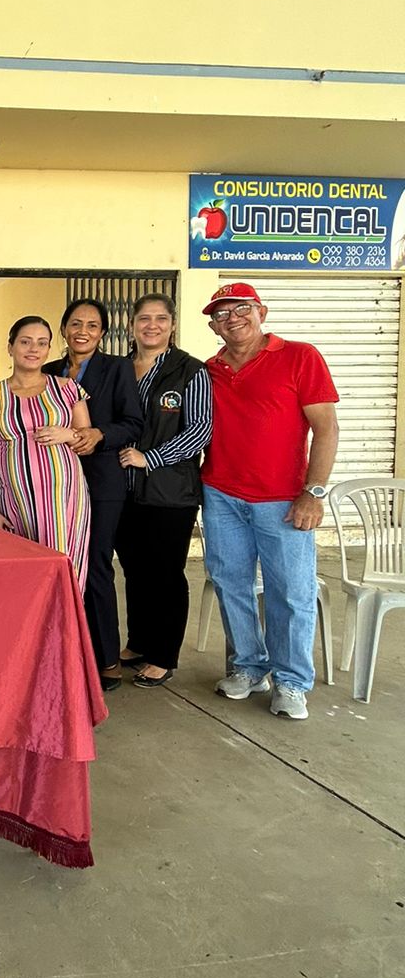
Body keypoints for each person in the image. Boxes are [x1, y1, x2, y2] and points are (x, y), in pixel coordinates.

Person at [199, 282, 339, 721]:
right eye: (222, 314)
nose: (233, 319)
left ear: (262, 311)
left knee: (291, 593)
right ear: (214, 327)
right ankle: (248, 667)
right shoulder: (209, 369)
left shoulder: (300, 356)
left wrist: (314, 492)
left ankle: (291, 681)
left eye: (242, 308)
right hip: (221, 494)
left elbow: (327, 428)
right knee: (230, 585)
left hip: (284, 500)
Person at [43, 298, 143, 691]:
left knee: (96, 563)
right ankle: (61, 653)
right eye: (76, 323)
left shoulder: (117, 368)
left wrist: (99, 433)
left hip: (102, 480)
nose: (82, 331)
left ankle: (106, 659)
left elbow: (133, 423)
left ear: (102, 333)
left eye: (92, 325)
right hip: (54, 481)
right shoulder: (48, 370)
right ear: (64, 328)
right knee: (58, 564)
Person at [115, 294, 213, 688]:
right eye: (144, 318)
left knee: (165, 573)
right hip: (125, 491)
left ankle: (163, 654)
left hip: (170, 492)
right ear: (132, 325)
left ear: (172, 325)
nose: (151, 326)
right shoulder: (121, 368)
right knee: (135, 570)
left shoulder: (190, 371)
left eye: (160, 318)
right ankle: (139, 642)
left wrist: (150, 458)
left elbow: (200, 430)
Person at [0, 316, 91, 589]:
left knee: (66, 573)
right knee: (23, 578)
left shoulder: (67, 388)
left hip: (66, 498)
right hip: (16, 500)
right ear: (10, 347)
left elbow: (88, 439)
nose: (33, 349)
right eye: (25, 342)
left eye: (42, 343)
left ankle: (67, 620)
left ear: (49, 349)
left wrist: (69, 434)